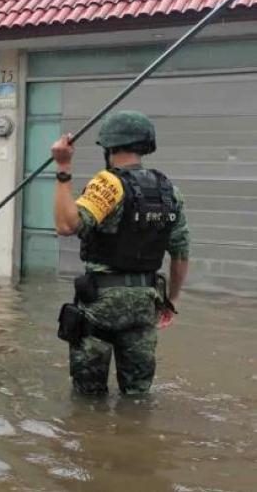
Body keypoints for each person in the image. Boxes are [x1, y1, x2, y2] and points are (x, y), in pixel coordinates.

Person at [52, 110, 190, 396]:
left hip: (100, 305)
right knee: (138, 396)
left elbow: (67, 225)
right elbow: (180, 252)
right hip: (145, 305)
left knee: (88, 399)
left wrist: (63, 168)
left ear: (109, 146)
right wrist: (171, 301)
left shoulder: (108, 183)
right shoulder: (170, 191)